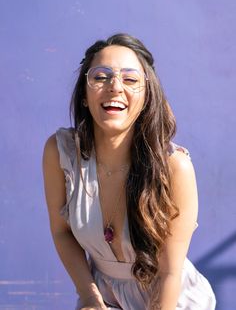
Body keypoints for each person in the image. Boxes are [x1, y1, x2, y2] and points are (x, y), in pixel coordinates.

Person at [42, 33, 216, 310]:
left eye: (130, 79)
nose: (114, 87)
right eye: (100, 77)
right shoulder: (61, 153)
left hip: (170, 300)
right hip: (100, 295)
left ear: (147, 96)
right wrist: (89, 297)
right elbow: (61, 232)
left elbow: (170, 273)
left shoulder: (175, 167)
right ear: (85, 95)